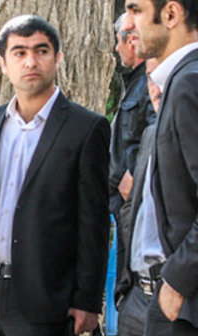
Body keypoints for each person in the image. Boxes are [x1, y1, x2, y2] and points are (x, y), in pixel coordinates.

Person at [0, 15, 110, 336]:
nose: (31, 61)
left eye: (41, 51)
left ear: (57, 58)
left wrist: (89, 300)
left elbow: (93, 222)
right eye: (19, 52)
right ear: (2, 64)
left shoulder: (86, 127)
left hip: (45, 297)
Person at [124, 0, 198, 334]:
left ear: (171, 14)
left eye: (134, 9)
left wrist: (176, 283)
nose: (127, 23)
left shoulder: (189, 83)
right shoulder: (181, 80)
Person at [115, 57, 161, 336]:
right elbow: (131, 207)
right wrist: (125, 289)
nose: (155, 88)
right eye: (151, 78)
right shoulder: (150, 136)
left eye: (164, 77)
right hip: (135, 298)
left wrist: (176, 288)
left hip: (177, 302)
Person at [109, 13, 156, 230]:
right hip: (121, 201)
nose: (117, 49)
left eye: (118, 41)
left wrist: (135, 173)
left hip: (135, 200)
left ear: (130, 41)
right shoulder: (135, 82)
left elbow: (157, 129)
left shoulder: (149, 82)